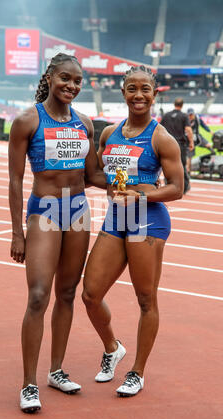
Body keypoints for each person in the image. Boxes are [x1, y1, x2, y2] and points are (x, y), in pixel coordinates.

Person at [8, 53, 107, 413]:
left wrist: (131, 181)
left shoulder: (85, 122)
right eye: (66, 78)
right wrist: (17, 233)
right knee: (38, 296)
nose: (72, 86)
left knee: (67, 292)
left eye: (78, 81)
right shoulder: (27, 120)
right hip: (45, 211)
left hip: (78, 211)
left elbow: (93, 175)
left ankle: (56, 371)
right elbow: (15, 180)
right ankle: (29, 384)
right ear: (50, 77)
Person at [82, 65, 184, 397]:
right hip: (116, 219)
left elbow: (177, 188)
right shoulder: (110, 133)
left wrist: (142, 194)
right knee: (91, 293)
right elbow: (99, 176)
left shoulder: (161, 137)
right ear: (123, 92)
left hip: (147, 221)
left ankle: (137, 372)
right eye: (131, 88)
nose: (138, 95)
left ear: (154, 95)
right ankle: (113, 348)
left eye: (145, 89)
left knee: (145, 298)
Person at [160, 98, 194, 194]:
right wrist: (191, 142)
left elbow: (159, 128)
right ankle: (184, 187)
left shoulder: (166, 115)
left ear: (174, 104)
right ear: (182, 105)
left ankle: (168, 185)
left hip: (167, 144)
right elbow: (188, 130)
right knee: (181, 166)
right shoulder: (184, 116)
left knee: (167, 166)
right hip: (179, 144)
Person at [187, 108, 215, 175]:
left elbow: (203, 125)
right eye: (189, 115)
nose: (191, 116)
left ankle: (210, 163)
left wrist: (209, 131)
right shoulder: (184, 120)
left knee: (210, 146)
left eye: (192, 114)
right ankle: (188, 172)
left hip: (198, 137)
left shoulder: (197, 118)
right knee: (189, 157)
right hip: (189, 139)